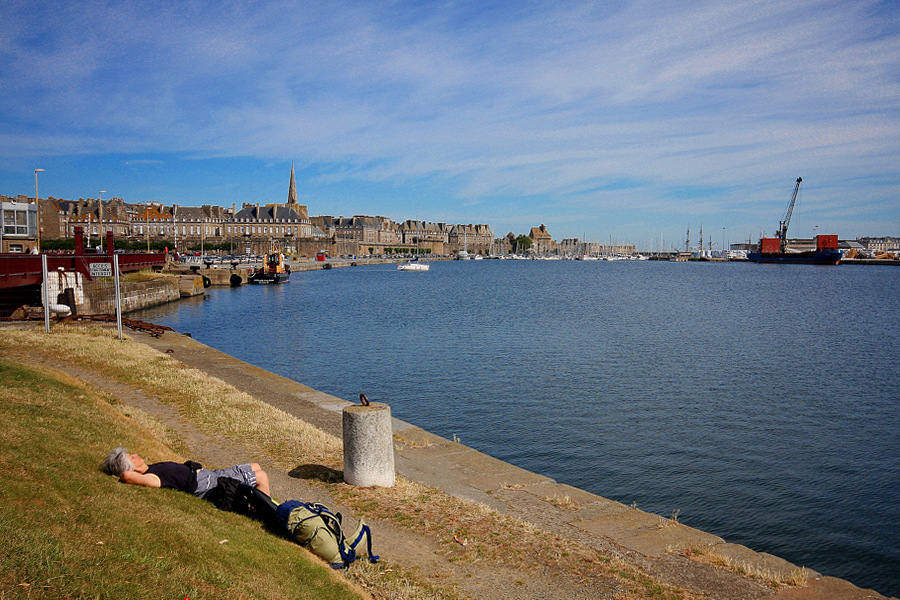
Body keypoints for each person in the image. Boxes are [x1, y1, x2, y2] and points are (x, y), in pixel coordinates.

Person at [101, 447, 270, 498]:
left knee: (255, 465)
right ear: (130, 466)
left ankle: (264, 497)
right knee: (261, 476)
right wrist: (123, 470)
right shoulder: (151, 477)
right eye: (131, 456)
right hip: (209, 484)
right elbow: (126, 476)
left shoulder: (150, 469)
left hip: (209, 474)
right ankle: (268, 510)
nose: (135, 454)